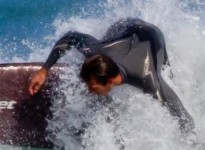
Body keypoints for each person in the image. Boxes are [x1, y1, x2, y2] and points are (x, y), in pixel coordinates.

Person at [28, 18, 194, 134]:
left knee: (168, 81)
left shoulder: (148, 79)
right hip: (125, 25)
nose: (89, 90)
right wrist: (45, 69)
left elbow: (185, 119)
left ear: (109, 81)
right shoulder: (95, 51)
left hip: (153, 37)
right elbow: (71, 37)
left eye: (92, 86)